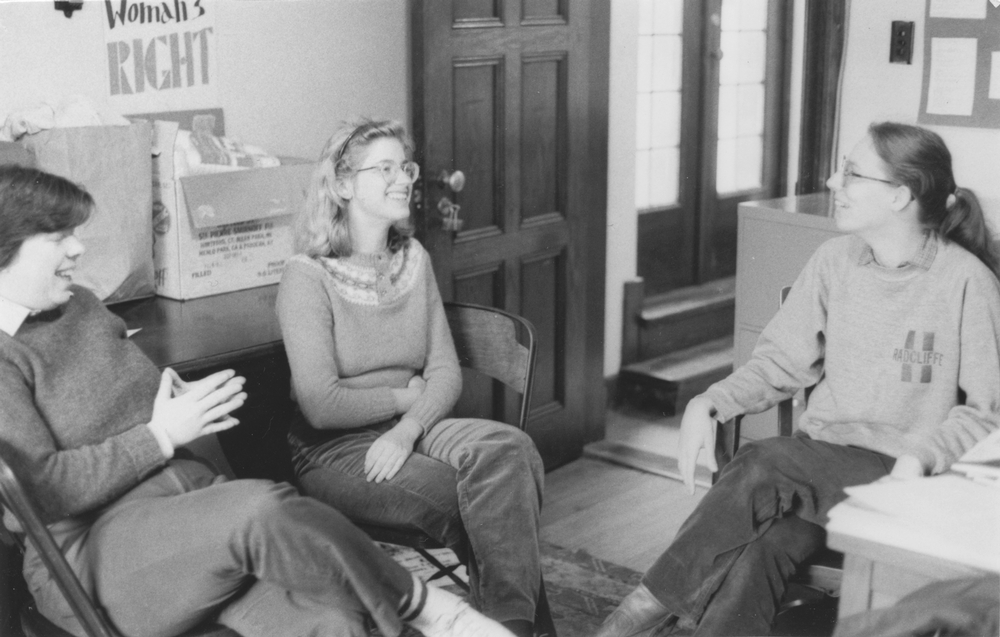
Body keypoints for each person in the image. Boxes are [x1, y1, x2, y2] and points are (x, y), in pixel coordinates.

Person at [0, 164, 514, 637]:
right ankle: (432, 611)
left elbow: (118, 403)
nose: (77, 250)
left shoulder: (82, 306)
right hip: (90, 554)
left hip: (187, 507)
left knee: (338, 621)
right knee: (260, 507)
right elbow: (41, 490)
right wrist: (159, 434)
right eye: (58, 237)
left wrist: (178, 407)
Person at [594, 121, 1000, 637]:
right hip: (817, 469)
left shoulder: (967, 283)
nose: (833, 182)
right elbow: (782, 362)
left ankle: (630, 619)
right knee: (753, 554)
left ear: (900, 195)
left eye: (851, 173)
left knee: (763, 463)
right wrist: (709, 402)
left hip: (906, 482)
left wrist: (917, 459)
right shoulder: (835, 261)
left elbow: (986, 412)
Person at [276, 118, 545, 637]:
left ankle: (509, 629)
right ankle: (520, 628)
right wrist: (405, 396)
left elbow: (444, 371)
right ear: (344, 184)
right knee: (479, 500)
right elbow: (321, 405)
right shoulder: (306, 278)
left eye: (406, 166)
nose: (404, 178)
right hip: (332, 449)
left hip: (411, 430)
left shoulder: (413, 258)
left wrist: (408, 427)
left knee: (513, 451)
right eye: (386, 168)